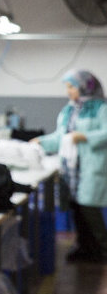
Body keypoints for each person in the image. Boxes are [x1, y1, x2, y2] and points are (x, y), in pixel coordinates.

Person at [33, 70, 107, 263]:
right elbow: (59, 137)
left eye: (71, 87)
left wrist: (85, 137)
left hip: (92, 167)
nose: (68, 91)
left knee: (89, 209)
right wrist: (40, 141)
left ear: (85, 86)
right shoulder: (69, 110)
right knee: (76, 209)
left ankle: (101, 248)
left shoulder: (101, 108)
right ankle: (84, 247)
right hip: (72, 171)